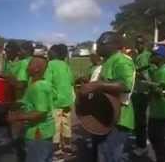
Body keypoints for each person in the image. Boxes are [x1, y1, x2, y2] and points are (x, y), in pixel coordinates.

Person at [79, 31, 136, 162]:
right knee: (102, 154)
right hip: (105, 115)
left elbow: (125, 85)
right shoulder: (107, 61)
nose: (97, 47)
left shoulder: (122, 60)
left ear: (114, 45)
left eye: (100, 43)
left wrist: (97, 85)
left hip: (118, 118)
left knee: (109, 156)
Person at [7, 56, 55, 162]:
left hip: (38, 134)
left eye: (30, 64)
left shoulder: (38, 87)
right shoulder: (37, 83)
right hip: (43, 132)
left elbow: (40, 112)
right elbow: (28, 102)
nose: (27, 67)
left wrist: (16, 117)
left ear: (36, 69)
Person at [44, 44, 75, 159]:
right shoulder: (66, 66)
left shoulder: (50, 65)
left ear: (54, 53)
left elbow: (47, 83)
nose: (48, 53)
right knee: (66, 124)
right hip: (67, 101)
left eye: (50, 52)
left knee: (55, 125)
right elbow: (72, 80)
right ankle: (67, 145)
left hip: (55, 101)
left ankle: (56, 150)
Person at [147, 46, 165, 162]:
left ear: (161, 58)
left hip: (162, 111)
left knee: (158, 139)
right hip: (154, 111)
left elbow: (162, 91)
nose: (152, 56)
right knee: (152, 136)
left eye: (155, 55)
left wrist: (154, 89)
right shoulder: (157, 70)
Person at [131, 35, 153, 156]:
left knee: (141, 120)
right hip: (137, 91)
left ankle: (142, 145)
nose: (138, 45)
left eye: (140, 43)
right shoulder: (137, 56)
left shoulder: (147, 55)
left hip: (144, 92)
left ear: (144, 44)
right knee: (138, 119)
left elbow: (146, 75)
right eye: (136, 43)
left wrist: (137, 72)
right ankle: (141, 141)